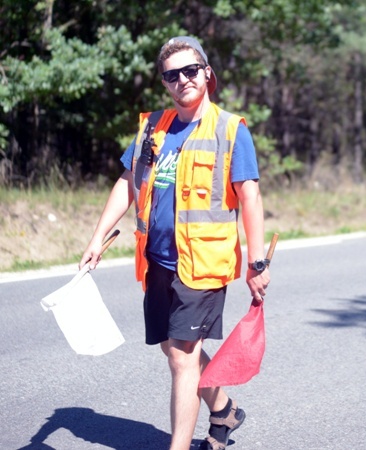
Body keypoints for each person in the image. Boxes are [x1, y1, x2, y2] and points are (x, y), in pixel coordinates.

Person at [79, 36, 270, 450]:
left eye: (189, 70)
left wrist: (257, 263)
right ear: (164, 83)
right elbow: (127, 182)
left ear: (206, 73)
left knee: (183, 357)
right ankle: (224, 410)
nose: (181, 79)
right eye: (171, 75)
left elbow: (250, 195)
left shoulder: (229, 129)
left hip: (202, 262)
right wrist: (97, 238)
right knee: (172, 347)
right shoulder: (153, 128)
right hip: (157, 262)